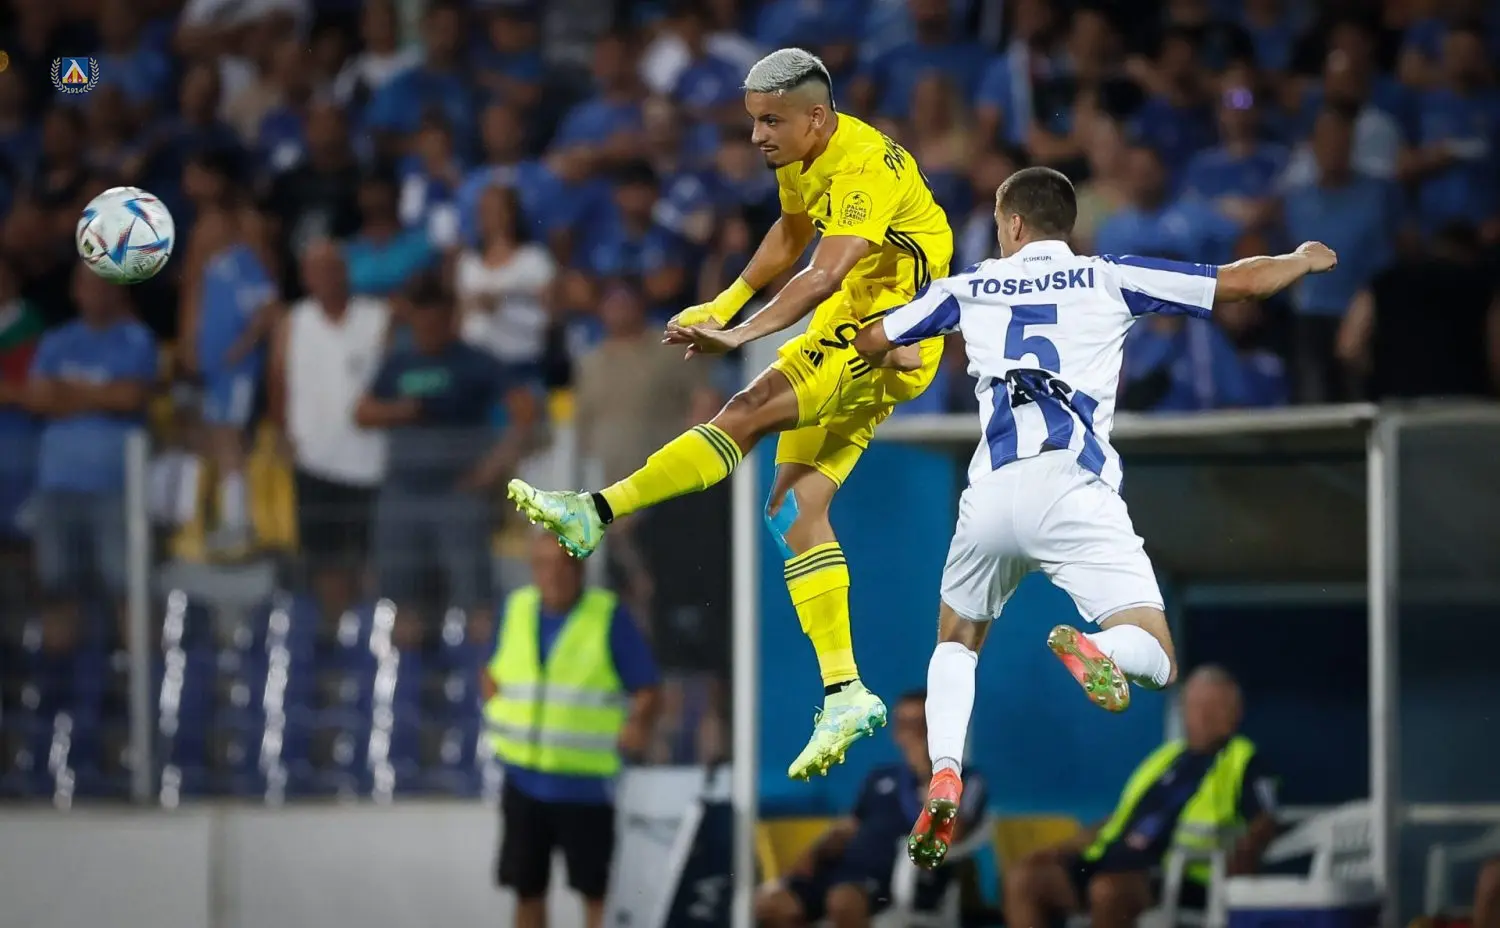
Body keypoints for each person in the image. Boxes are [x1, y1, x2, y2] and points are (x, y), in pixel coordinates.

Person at [850, 166, 1334, 864]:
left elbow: (872, 339)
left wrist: (899, 353)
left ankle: (946, 768)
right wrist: (1301, 258)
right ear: (1065, 225)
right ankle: (1101, 649)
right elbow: (1239, 282)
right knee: (1158, 656)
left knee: (956, 640)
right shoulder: (1109, 276)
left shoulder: (970, 285)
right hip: (1072, 489)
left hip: (991, 494)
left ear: (1013, 224)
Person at [508, 48, 955, 781]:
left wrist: (742, 334)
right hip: (856, 320)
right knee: (791, 511)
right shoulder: (803, 149)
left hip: (888, 331)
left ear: (816, 116)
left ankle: (596, 510)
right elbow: (791, 232)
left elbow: (824, 271)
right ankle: (845, 691)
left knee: (746, 409)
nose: (756, 137)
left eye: (769, 121)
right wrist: (723, 303)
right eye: (753, 121)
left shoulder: (862, 169)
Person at [1001, 667, 1279, 928]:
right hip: (1111, 861)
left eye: (1213, 707)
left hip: (1173, 873)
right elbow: (1121, 818)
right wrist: (1062, 848)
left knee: (1107, 890)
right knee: (1023, 880)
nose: (1202, 716)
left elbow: (1265, 820)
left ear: (1234, 713)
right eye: (1194, 706)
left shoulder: (1243, 760)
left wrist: (1245, 855)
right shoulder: (1166, 758)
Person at [482, 533, 661, 928]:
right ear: (532, 570)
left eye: (564, 565)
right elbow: (492, 670)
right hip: (524, 780)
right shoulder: (516, 609)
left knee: (595, 893)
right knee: (527, 890)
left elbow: (647, 687)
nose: (554, 575)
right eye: (544, 565)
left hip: (586, 786)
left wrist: (637, 723)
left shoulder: (608, 616)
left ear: (581, 569)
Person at [355, 274, 538, 646]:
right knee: (402, 600)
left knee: (474, 597)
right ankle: (406, 674)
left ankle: (481, 672)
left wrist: (492, 468)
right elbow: (362, 413)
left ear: (451, 316)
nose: (428, 331)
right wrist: (403, 411)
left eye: (436, 322)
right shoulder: (398, 362)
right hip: (403, 492)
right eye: (421, 323)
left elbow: (526, 412)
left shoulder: (475, 361)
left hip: (458, 494)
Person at [754, 691, 987, 928]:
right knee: (770, 906)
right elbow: (849, 827)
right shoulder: (881, 776)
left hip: (895, 877)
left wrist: (929, 774)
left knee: (843, 901)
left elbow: (953, 835)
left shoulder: (967, 780)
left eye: (921, 724)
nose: (912, 733)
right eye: (904, 725)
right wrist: (814, 854)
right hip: (842, 870)